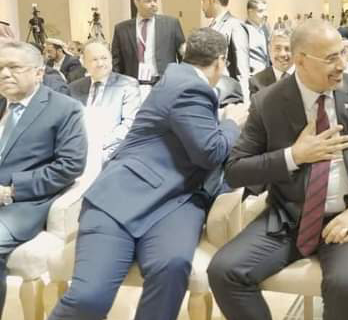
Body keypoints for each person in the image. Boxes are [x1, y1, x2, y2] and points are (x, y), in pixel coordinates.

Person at [207, 19, 348, 320]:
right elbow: (235, 170)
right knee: (224, 272)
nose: (341, 65)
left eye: (342, 53)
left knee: (345, 284)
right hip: (289, 217)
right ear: (300, 60)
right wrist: (294, 155)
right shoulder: (268, 102)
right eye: (331, 58)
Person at [48, 28, 246, 320]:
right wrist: (232, 122)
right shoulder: (190, 86)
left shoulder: (177, 79)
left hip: (177, 204)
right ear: (220, 61)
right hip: (123, 198)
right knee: (89, 297)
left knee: (172, 266)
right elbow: (210, 152)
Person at [0, 41, 87, 317]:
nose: (4, 74)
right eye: (0, 68)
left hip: (21, 204)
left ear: (38, 73)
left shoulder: (64, 109)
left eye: (13, 67)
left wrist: (11, 190)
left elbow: (70, 166)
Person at [69, 42, 141, 161]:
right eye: (94, 59)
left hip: (112, 150)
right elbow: (69, 123)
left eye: (104, 58)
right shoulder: (74, 88)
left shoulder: (127, 85)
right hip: (79, 150)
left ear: (111, 59)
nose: (100, 63)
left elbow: (129, 124)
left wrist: (98, 146)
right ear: (84, 63)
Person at [111, 0, 185, 85]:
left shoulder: (171, 24)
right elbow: (116, 62)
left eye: (155, 0)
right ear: (136, 2)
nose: (153, 4)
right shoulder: (122, 29)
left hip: (164, 82)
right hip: (133, 83)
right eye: (148, 1)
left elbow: (183, 55)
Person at [203, 0, 251, 101]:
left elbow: (242, 66)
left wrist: (245, 99)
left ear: (213, 0)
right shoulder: (212, 25)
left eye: (203, 0)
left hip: (228, 93)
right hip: (213, 90)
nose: (202, 5)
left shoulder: (235, 25)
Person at [249, 29, 294, 96]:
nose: (282, 54)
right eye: (277, 48)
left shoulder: (306, 77)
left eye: (287, 49)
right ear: (269, 50)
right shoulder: (256, 82)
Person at [245, 0, 271, 76]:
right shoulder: (243, 31)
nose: (265, 14)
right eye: (260, 11)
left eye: (265, 10)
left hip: (266, 75)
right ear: (250, 12)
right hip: (252, 77)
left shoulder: (265, 29)